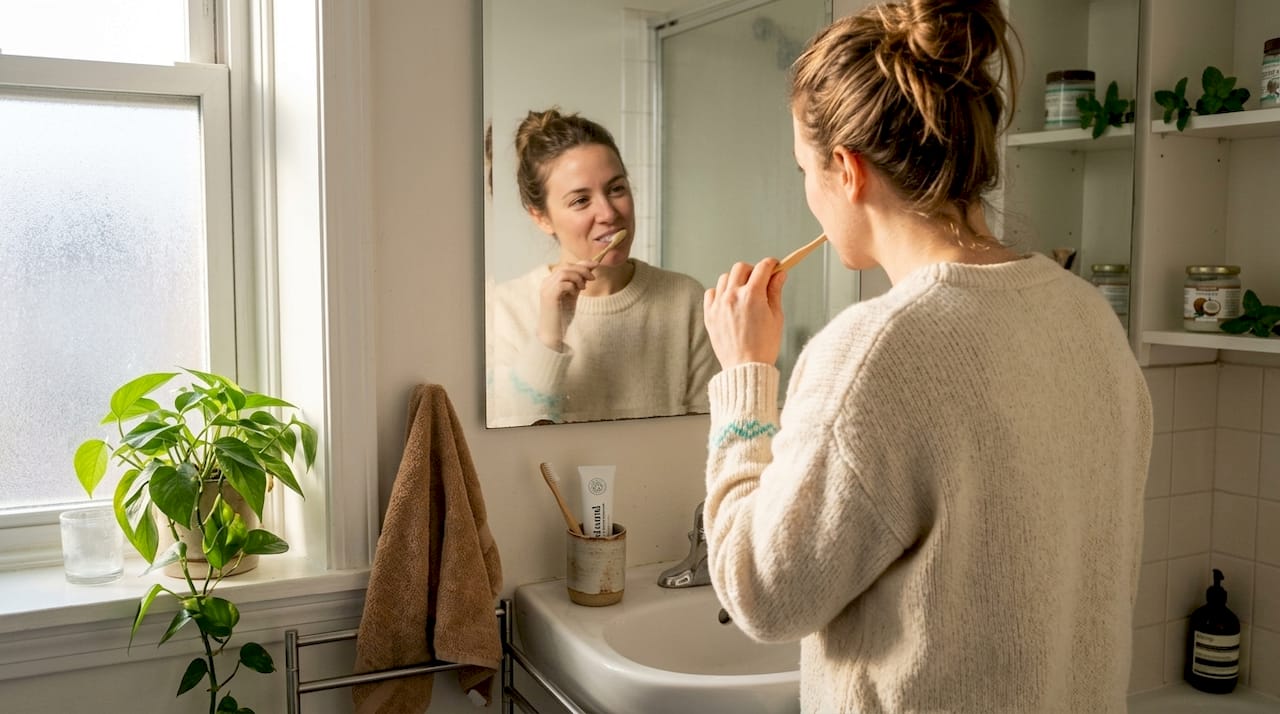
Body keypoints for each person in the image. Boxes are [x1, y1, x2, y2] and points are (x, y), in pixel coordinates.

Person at [700, 1, 1152, 712]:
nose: (808, 195)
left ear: (847, 171)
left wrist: (745, 380)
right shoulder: (1087, 317)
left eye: (803, 170)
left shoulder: (874, 354)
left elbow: (764, 593)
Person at [487, 108, 718, 427]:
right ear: (540, 217)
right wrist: (548, 338)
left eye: (616, 189)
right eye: (581, 201)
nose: (608, 212)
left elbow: (708, 436)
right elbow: (508, 441)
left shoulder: (685, 299)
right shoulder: (505, 309)